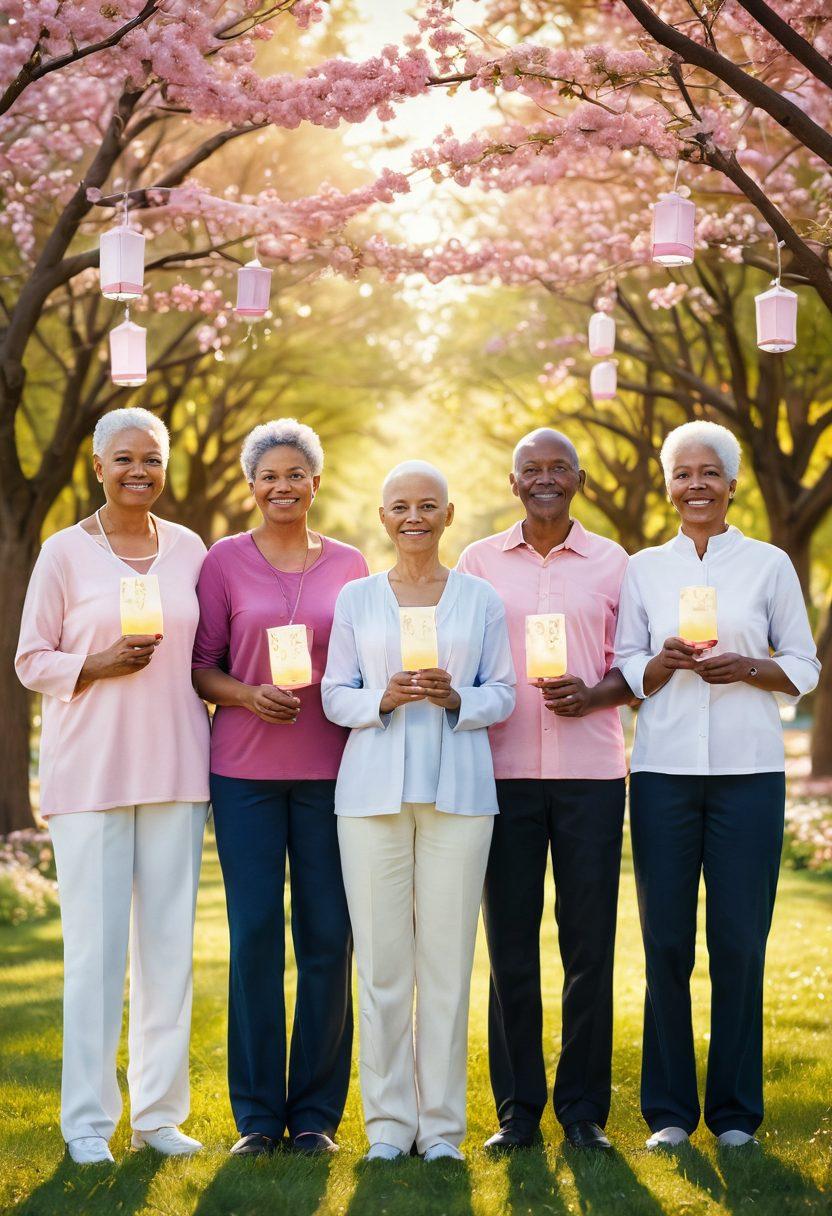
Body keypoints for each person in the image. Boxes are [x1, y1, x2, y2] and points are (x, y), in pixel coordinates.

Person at [614, 419, 820, 1150]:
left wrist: (751, 668)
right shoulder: (642, 568)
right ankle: (669, 1112)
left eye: (709, 472)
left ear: (731, 485)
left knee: (739, 943)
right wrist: (662, 663)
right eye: (682, 472)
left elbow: (803, 662)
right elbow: (627, 661)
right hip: (665, 770)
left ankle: (735, 1115)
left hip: (749, 773)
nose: (695, 484)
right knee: (666, 942)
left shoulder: (768, 565)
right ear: (669, 484)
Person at [15, 407, 211, 1165]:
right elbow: (32, 659)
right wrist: (94, 665)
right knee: (94, 955)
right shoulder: (65, 553)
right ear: (97, 466)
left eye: (152, 459)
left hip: (175, 766)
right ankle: (88, 1125)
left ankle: (159, 1118)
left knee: (167, 953)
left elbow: (209, 648)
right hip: (90, 774)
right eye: (124, 458)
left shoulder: (190, 549)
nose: (140, 470)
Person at [322, 461, 515, 1162]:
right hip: (371, 799)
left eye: (427, 506)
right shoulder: (357, 599)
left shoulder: (479, 598)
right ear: (382, 517)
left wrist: (457, 696)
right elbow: (334, 694)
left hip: (459, 799)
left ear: (448, 514)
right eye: (400, 505)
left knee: (446, 966)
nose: (413, 517)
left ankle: (439, 1131)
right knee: (379, 966)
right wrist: (383, 697)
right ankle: (386, 1129)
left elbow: (505, 692)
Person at [192, 419, 367, 1157]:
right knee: (256, 937)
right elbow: (201, 665)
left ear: (316, 483)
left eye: (297, 474)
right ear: (252, 485)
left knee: (328, 939)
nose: (283, 486)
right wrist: (243, 694)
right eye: (270, 475)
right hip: (245, 779)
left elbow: (366, 660)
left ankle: (317, 1118)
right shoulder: (223, 561)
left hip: (334, 776)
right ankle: (260, 1119)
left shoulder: (353, 564)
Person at [457, 428, 634, 1153]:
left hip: (592, 774)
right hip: (501, 777)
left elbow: (638, 665)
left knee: (590, 945)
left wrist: (594, 695)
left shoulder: (616, 564)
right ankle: (519, 1111)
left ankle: (584, 1110)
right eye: (532, 468)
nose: (546, 477)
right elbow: (459, 657)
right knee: (510, 947)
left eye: (559, 466)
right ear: (512, 482)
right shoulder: (477, 562)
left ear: (580, 479)